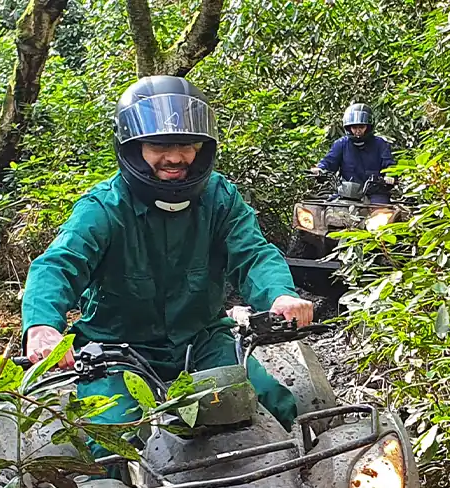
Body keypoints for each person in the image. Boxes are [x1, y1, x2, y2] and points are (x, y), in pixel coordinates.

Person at [21, 75, 312, 450]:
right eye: (159, 145)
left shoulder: (220, 197)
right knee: (108, 440)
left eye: (186, 144)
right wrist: (43, 326)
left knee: (273, 402)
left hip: (203, 340)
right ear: (133, 146)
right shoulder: (103, 208)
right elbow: (58, 265)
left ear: (202, 147)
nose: (174, 156)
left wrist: (280, 296)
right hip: (116, 351)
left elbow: (254, 252)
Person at [312, 103, 395, 204]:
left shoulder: (380, 144)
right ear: (348, 128)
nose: (358, 130)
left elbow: (389, 164)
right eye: (354, 127)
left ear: (368, 127)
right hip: (346, 192)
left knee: (383, 212)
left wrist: (389, 176)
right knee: (327, 209)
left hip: (375, 192)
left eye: (361, 127)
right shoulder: (341, 144)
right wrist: (320, 169)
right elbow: (329, 161)